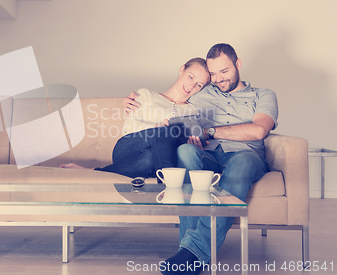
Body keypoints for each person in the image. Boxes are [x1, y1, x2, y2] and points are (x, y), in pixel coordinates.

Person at [124, 43, 278, 275]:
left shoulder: (263, 95)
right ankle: (189, 252)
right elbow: (170, 99)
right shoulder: (202, 92)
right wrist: (134, 100)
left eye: (224, 72)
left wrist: (210, 132)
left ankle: (192, 253)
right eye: (213, 74)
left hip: (245, 155)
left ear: (238, 65)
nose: (218, 79)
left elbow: (258, 131)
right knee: (185, 152)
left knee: (243, 162)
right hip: (207, 155)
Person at [60, 58, 210, 180]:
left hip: (154, 159)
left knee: (151, 158)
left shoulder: (193, 110)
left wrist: (195, 147)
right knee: (166, 131)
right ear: (182, 69)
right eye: (191, 77)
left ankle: (95, 172)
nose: (191, 85)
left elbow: (186, 146)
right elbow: (129, 127)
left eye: (199, 85)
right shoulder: (145, 95)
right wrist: (157, 128)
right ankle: (170, 183)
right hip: (129, 146)